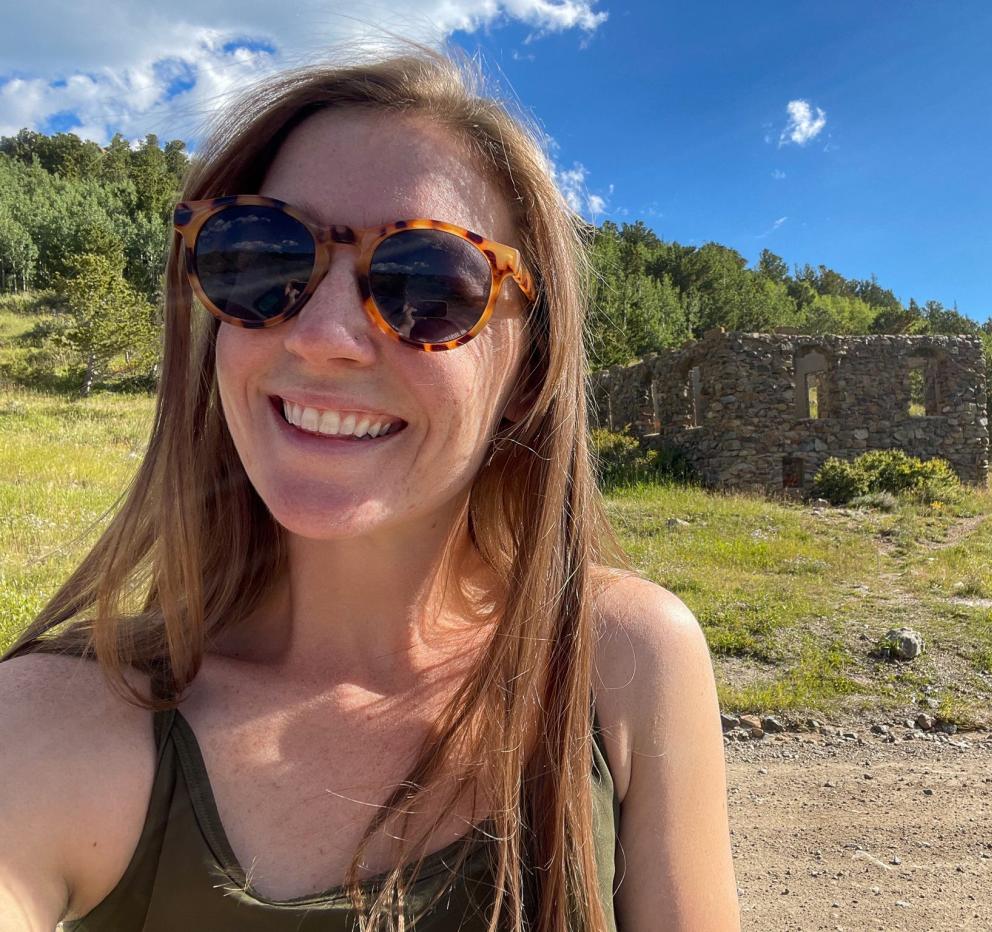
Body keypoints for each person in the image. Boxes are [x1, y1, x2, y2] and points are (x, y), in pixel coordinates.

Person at [0, 44, 740, 932]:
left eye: (427, 281)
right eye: (261, 257)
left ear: (529, 370)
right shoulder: (53, 721)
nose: (324, 335)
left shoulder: (620, 658)